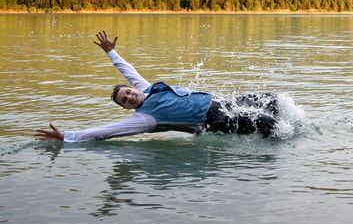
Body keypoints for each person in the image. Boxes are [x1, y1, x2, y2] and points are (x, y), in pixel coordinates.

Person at [35, 31, 281, 142]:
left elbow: (127, 70)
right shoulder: (145, 118)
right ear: (126, 108)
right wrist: (68, 136)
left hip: (221, 102)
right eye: (125, 100)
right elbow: (105, 131)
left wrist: (111, 52)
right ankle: (279, 152)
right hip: (214, 120)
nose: (129, 96)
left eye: (128, 92)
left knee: (272, 99)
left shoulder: (149, 88)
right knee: (268, 124)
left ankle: (294, 129)